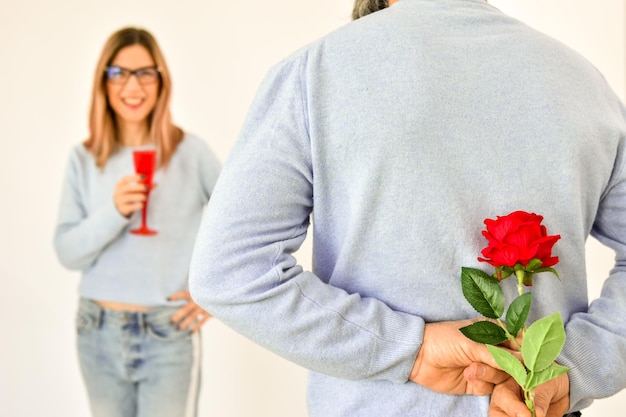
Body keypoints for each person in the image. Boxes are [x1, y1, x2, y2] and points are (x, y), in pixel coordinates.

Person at [188, 0, 626, 416]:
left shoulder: (318, 72)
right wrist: (573, 370)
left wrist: (410, 351)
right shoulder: (583, 82)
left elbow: (230, 272)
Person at [54, 27, 221, 417]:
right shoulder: (83, 158)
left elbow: (241, 223)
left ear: (161, 80)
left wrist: (212, 293)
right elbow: (67, 252)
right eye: (120, 73)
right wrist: (114, 212)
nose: (133, 86)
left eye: (145, 72)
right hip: (96, 329)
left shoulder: (191, 153)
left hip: (168, 330)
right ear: (104, 81)